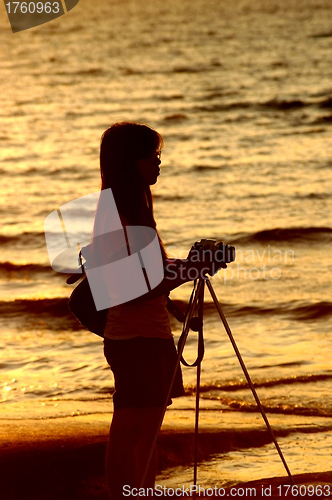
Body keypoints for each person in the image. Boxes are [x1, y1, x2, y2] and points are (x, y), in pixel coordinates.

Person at [93, 122, 225, 499]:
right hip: (134, 339)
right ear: (130, 161)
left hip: (148, 336)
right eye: (152, 156)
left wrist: (186, 278)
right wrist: (192, 268)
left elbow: (148, 279)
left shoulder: (132, 210)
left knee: (147, 434)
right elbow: (130, 286)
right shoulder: (115, 215)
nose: (159, 162)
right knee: (133, 432)